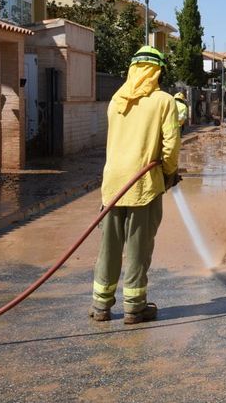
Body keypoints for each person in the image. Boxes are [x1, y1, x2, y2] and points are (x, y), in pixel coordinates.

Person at [90, 46, 181, 324]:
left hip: (112, 185)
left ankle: (100, 306)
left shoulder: (117, 99)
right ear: (156, 71)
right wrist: (168, 173)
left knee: (108, 247)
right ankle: (134, 307)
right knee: (138, 248)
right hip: (143, 184)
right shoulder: (164, 101)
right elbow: (171, 146)